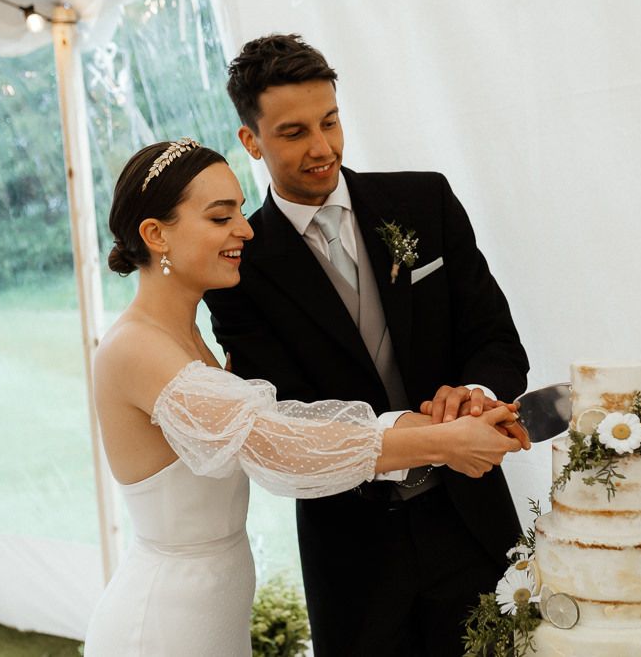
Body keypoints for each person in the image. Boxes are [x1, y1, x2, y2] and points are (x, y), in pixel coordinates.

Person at [83, 138, 528, 657]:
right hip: (163, 622)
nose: (245, 230)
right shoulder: (136, 348)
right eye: (220, 217)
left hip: (212, 611)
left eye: (241, 213)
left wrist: (453, 419)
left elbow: (305, 422)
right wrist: (444, 443)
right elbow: (280, 446)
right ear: (156, 234)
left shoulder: (192, 343)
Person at [203, 34, 531, 657]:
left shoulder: (423, 200)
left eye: (330, 121)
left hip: (473, 525)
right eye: (295, 132)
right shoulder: (240, 266)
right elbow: (287, 412)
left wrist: (474, 397)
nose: (322, 147)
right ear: (251, 141)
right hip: (352, 552)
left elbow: (494, 335)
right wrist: (423, 432)